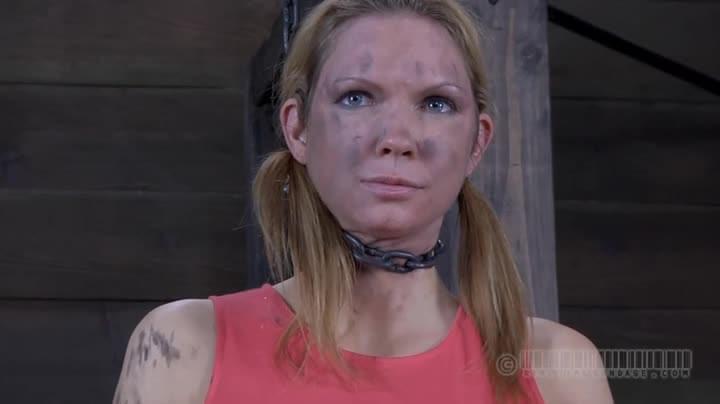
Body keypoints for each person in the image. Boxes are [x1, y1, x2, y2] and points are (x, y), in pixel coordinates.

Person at [112, 0, 614, 403]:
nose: (396, 138)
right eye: (356, 96)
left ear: (477, 143)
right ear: (297, 128)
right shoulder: (184, 348)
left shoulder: (556, 369)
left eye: (436, 102)